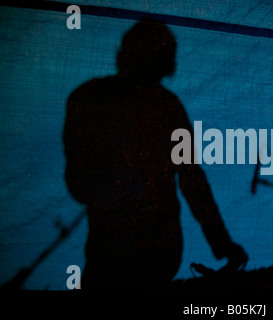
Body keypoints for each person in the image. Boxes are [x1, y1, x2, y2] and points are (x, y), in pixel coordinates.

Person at [63, 17, 248, 289]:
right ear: (165, 64)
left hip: (110, 248)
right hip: (157, 250)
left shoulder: (86, 98)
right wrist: (222, 244)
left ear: (125, 53)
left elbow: (77, 182)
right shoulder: (167, 107)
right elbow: (192, 182)